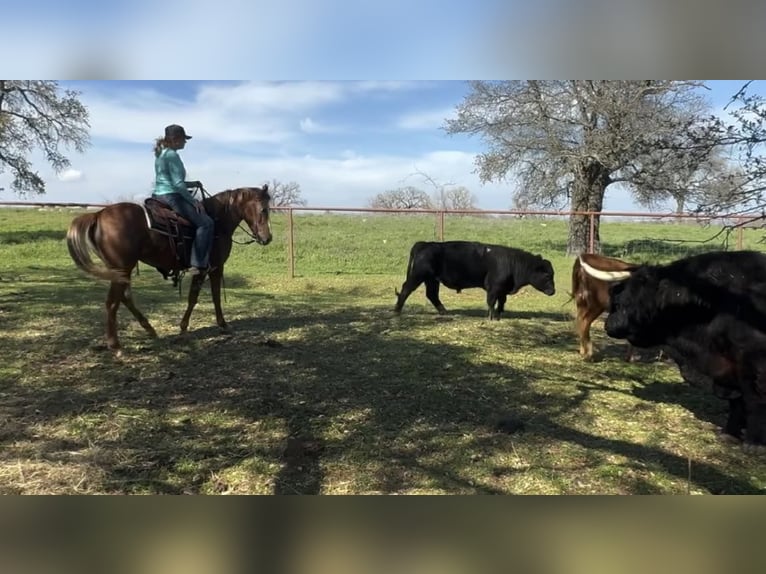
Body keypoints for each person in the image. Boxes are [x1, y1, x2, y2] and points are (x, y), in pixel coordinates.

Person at [152, 124, 214, 275]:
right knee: (206, 223)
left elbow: (172, 180)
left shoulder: (161, 154)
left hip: (158, 195)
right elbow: (178, 185)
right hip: (171, 196)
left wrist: (193, 184)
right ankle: (198, 264)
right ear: (175, 139)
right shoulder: (172, 155)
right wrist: (194, 202)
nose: (185, 142)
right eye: (183, 139)